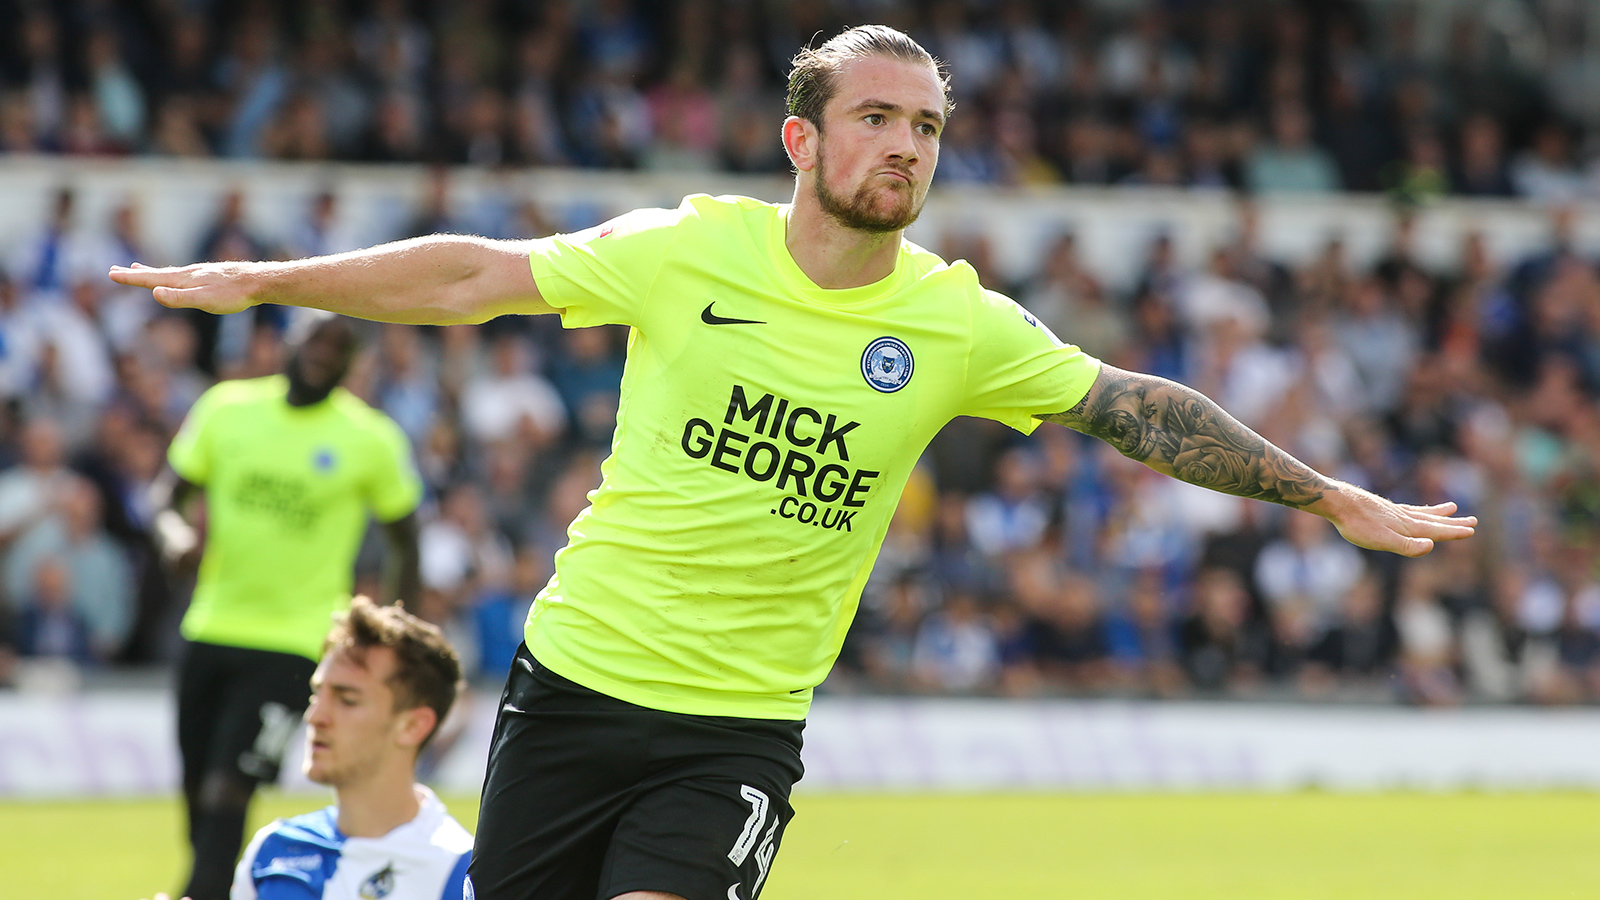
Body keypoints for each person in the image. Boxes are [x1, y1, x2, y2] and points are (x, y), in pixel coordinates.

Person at [113, 24, 1475, 900]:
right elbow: (476, 274)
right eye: (878, 117)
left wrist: (1328, 492)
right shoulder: (688, 246)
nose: (905, 146)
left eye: (928, 127)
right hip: (572, 684)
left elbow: (1127, 404)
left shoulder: (954, 320)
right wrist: (268, 278)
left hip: (734, 732)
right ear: (804, 140)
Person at [151, 313, 423, 900]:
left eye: (340, 345)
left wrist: (398, 624)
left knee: (231, 785)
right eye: (314, 339)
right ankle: (214, 884)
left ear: (354, 362)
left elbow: (407, 536)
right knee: (198, 784)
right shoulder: (226, 409)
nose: (324, 352)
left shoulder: (370, 438)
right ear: (284, 344)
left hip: (296, 641)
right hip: (210, 626)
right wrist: (173, 535)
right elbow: (167, 496)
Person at [233, 596, 472, 900]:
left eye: (347, 700)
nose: (315, 717)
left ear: (413, 726)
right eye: (316, 695)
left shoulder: (460, 873)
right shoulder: (272, 850)